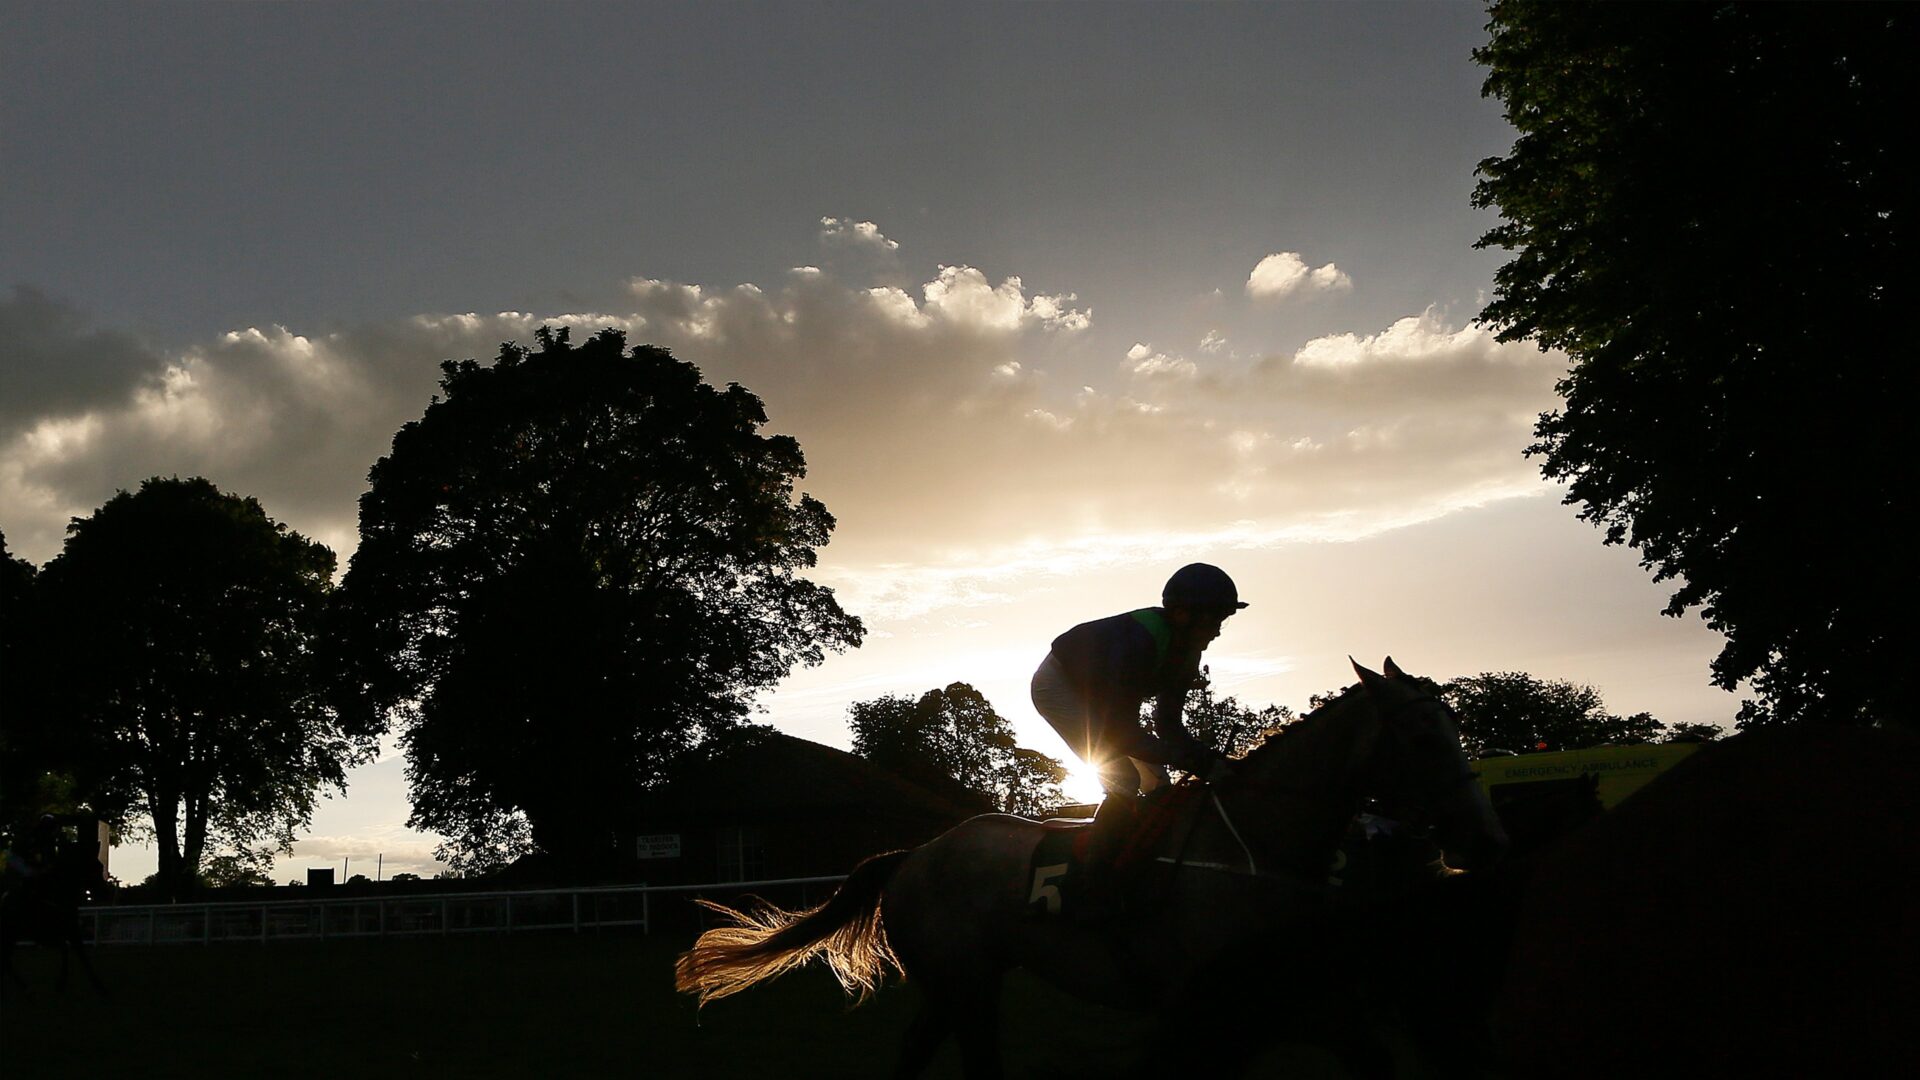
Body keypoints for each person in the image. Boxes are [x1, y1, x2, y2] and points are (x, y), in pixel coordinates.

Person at [1030, 563, 1245, 902]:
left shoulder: (1188, 651)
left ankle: (1140, 860)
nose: (1217, 631)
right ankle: (1092, 881)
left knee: (1159, 784)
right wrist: (1192, 760)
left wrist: (1206, 758)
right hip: (1059, 686)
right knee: (1123, 778)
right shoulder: (1139, 641)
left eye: (1223, 619)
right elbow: (1119, 733)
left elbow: (1168, 726)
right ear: (1182, 614)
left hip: (1099, 698)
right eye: (1213, 619)